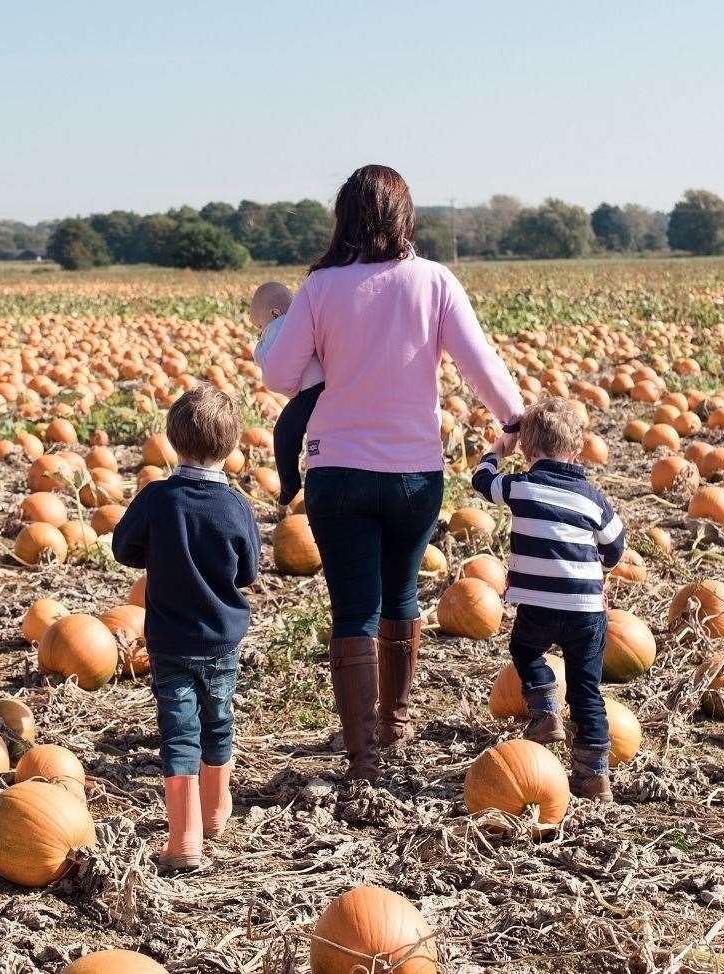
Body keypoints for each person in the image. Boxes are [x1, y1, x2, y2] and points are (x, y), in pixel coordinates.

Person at [260, 164, 525, 783]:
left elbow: (277, 376)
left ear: (344, 217)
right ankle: (394, 726)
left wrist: (295, 337)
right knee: (402, 597)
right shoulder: (434, 281)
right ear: (405, 219)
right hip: (413, 476)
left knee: (353, 609)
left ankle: (363, 759)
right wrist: (515, 422)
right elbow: (478, 363)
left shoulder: (321, 289)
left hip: (338, 476)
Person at [112, 384, 261, 871]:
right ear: (233, 446)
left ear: (173, 440)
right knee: (218, 721)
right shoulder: (236, 507)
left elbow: (123, 548)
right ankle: (218, 813)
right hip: (220, 639)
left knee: (179, 733)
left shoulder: (158, 499)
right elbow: (249, 571)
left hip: (170, 641)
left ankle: (185, 841)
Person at [470, 397, 625, 800]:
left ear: (526, 450)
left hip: (538, 607)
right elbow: (616, 546)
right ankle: (594, 776)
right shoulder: (592, 497)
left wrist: (496, 450)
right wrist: (598, 568)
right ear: (577, 451)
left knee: (524, 650)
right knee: (587, 691)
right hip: (585, 612)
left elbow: (481, 481)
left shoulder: (519, 486)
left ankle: (544, 712)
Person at [250, 281, 323, 506]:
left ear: (274, 313)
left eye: (259, 327)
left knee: (283, 434)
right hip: (326, 386)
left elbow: (270, 360)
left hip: (311, 392)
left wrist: (258, 348)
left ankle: (290, 488)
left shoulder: (280, 325)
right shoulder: (308, 319)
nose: (261, 332)